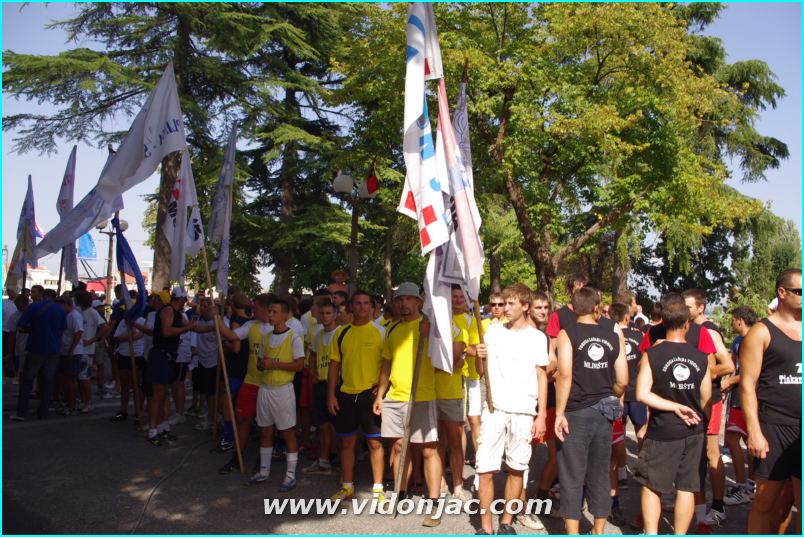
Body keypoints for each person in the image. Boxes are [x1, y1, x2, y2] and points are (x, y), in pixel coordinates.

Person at [633, 293, 712, 535]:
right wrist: (699, 421)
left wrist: (671, 406)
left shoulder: (653, 354)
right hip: (694, 429)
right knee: (687, 487)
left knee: (651, 485)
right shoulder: (701, 358)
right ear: (687, 324)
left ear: (663, 322)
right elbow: (706, 399)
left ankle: (651, 532)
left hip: (662, 429)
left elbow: (641, 394)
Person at [475, 283, 549, 535]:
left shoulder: (537, 338)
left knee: (517, 468)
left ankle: (506, 522)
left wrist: (541, 415)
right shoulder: (493, 332)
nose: (505, 308)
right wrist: (479, 357)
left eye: (511, 303)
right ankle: (485, 527)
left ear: (525, 306)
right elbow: (480, 372)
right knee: (485, 468)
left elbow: (541, 376)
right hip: (494, 410)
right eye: (504, 303)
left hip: (524, 411)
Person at [554, 286, 627, 535]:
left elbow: (564, 375)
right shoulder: (612, 334)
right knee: (600, 471)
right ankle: (598, 529)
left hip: (575, 410)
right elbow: (623, 380)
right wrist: (609, 393)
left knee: (571, 473)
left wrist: (559, 413)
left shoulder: (567, 333)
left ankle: (573, 531)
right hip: (604, 410)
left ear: (574, 308)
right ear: (597, 308)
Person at [373, 282, 443, 527]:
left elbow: (445, 361)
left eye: (408, 299)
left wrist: (431, 337)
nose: (403, 303)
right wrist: (380, 395)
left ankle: (434, 502)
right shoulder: (392, 329)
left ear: (418, 302)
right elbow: (387, 363)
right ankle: (399, 494)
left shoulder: (429, 327)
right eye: (399, 299)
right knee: (398, 447)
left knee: (428, 450)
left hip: (422, 396)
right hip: (395, 397)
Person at [741, 269, 801, 534]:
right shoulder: (761, 332)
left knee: (792, 502)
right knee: (765, 502)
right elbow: (747, 384)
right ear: (782, 292)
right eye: (799, 292)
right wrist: (754, 431)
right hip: (774, 426)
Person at [682, 289, 735, 528]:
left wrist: (704, 374)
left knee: (711, 452)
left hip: (709, 400)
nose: (685, 310)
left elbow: (727, 365)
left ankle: (718, 505)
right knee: (695, 455)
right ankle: (695, 505)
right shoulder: (688, 328)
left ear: (700, 308)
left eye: (688, 307)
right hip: (693, 399)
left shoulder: (709, 330)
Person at [327, 290, 387, 501]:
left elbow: (387, 364)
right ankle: (347, 486)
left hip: (370, 396)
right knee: (346, 443)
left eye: (366, 303)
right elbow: (334, 365)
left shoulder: (381, 332)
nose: (362, 307)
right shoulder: (340, 333)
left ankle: (378, 488)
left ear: (372, 307)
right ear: (351, 306)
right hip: (345, 395)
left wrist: (381, 392)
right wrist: (331, 394)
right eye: (358, 303)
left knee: (374, 443)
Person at [249, 297, 305, 490]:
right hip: (265, 388)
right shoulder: (266, 337)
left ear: (285, 315)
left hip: (283, 389)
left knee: (287, 432)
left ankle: (290, 475)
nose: (270, 315)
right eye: (269, 311)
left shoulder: (293, 337)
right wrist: (262, 364)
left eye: (274, 312)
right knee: (265, 430)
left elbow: (299, 365)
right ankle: (264, 471)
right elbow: (260, 362)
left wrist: (274, 364)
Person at [434, 286, 472, 503]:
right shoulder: (433, 325)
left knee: (455, 441)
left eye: (460, 297)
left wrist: (456, 357)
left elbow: (454, 360)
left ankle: (458, 485)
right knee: (437, 441)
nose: (456, 300)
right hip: (429, 391)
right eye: (452, 297)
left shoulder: (462, 325)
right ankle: (439, 482)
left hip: (452, 390)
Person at [145, 287, 196, 446]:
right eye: (184, 300)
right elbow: (167, 331)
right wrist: (187, 328)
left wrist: (214, 326)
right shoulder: (167, 311)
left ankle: (162, 427)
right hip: (161, 355)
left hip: (170, 357)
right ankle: (152, 430)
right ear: (179, 300)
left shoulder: (179, 314)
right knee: (158, 393)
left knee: (164, 394)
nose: (185, 303)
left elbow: (193, 327)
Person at [12, 289, 67, 421]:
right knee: (48, 381)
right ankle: (43, 412)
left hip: (36, 347)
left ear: (43, 296)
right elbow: (63, 328)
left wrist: (32, 329)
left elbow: (20, 326)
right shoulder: (60, 310)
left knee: (27, 381)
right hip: (54, 349)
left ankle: (21, 413)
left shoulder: (33, 307)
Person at [723, 306, 759, 506]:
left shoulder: (755, 339)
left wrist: (729, 382)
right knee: (741, 438)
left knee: (734, 438)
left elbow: (750, 372)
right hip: (737, 395)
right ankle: (749, 485)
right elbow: (734, 366)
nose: (731, 323)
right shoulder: (738, 341)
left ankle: (743, 485)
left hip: (749, 396)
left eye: (732, 319)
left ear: (740, 320)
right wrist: (727, 383)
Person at [304, 300, 339, 475]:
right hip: (321, 384)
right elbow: (313, 354)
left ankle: (338, 460)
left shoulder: (340, 333)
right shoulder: (318, 334)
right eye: (322, 313)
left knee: (338, 426)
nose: (325, 317)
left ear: (335, 315)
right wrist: (312, 372)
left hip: (337, 384)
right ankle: (324, 461)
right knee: (323, 424)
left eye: (328, 313)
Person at [111, 313, 147, 422]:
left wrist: (132, 332)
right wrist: (128, 337)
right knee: (124, 385)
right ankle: (123, 411)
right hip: (124, 355)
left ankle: (138, 412)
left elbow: (140, 335)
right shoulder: (123, 321)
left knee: (137, 385)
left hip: (137, 355)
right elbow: (116, 337)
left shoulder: (142, 321)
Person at [57, 294, 85, 416]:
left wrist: (71, 350)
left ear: (66, 304)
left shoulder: (75, 316)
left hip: (73, 351)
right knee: (65, 378)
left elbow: (78, 333)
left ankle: (72, 404)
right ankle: (68, 401)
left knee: (71, 378)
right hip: (64, 350)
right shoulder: (65, 315)